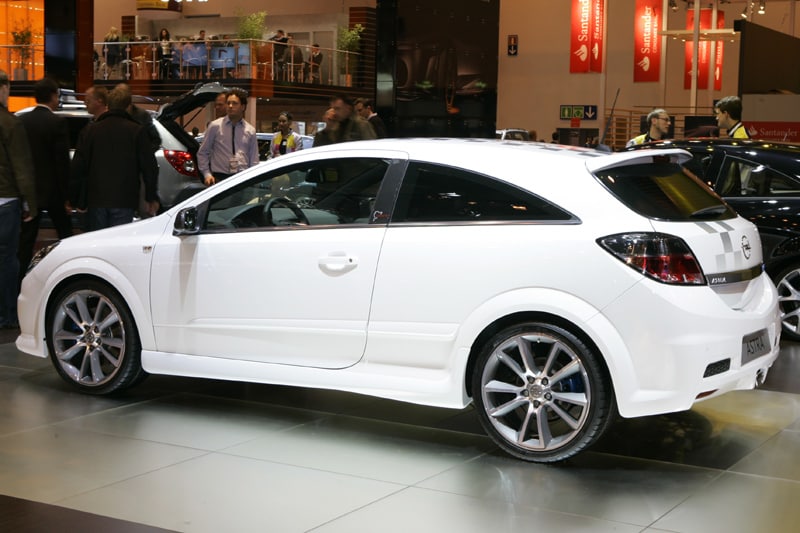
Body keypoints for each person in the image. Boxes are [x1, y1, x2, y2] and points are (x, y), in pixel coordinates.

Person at [70, 86, 159, 231]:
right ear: (128, 106)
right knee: (118, 238)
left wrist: (74, 199)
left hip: (96, 198)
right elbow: (149, 167)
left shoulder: (90, 130)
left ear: (108, 105)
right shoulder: (136, 131)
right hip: (124, 198)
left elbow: (78, 166)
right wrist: (151, 197)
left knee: (97, 239)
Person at [17, 78, 72, 290]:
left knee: (26, 241)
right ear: (52, 96)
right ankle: (65, 275)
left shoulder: (23, 121)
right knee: (65, 237)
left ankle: (20, 282)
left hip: (30, 191)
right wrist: (66, 196)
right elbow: (62, 163)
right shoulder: (57, 123)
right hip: (54, 191)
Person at [0, 70, 37, 329]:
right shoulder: (10, 124)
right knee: (6, 258)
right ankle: (7, 314)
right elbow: (22, 168)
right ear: (3, 89)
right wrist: (30, 204)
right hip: (6, 200)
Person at [197, 87, 258, 185]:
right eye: (228, 103)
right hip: (220, 178)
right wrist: (207, 174)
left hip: (242, 179)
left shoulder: (250, 130)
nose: (230, 106)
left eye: (234, 103)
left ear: (243, 107)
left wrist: (252, 181)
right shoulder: (215, 126)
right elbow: (203, 153)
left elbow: (254, 160)